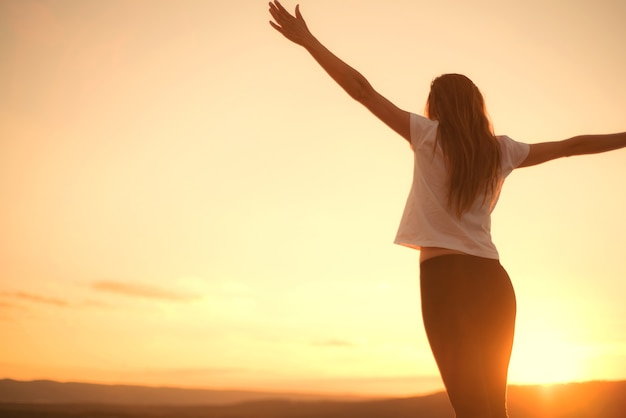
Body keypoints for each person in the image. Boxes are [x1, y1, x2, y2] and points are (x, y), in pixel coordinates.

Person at [268, 2, 626, 417]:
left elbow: (362, 90)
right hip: (493, 282)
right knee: (494, 408)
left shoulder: (426, 135)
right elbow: (571, 146)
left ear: (436, 106)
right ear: (476, 105)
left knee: (472, 410)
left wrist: (309, 40)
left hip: (444, 282)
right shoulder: (501, 150)